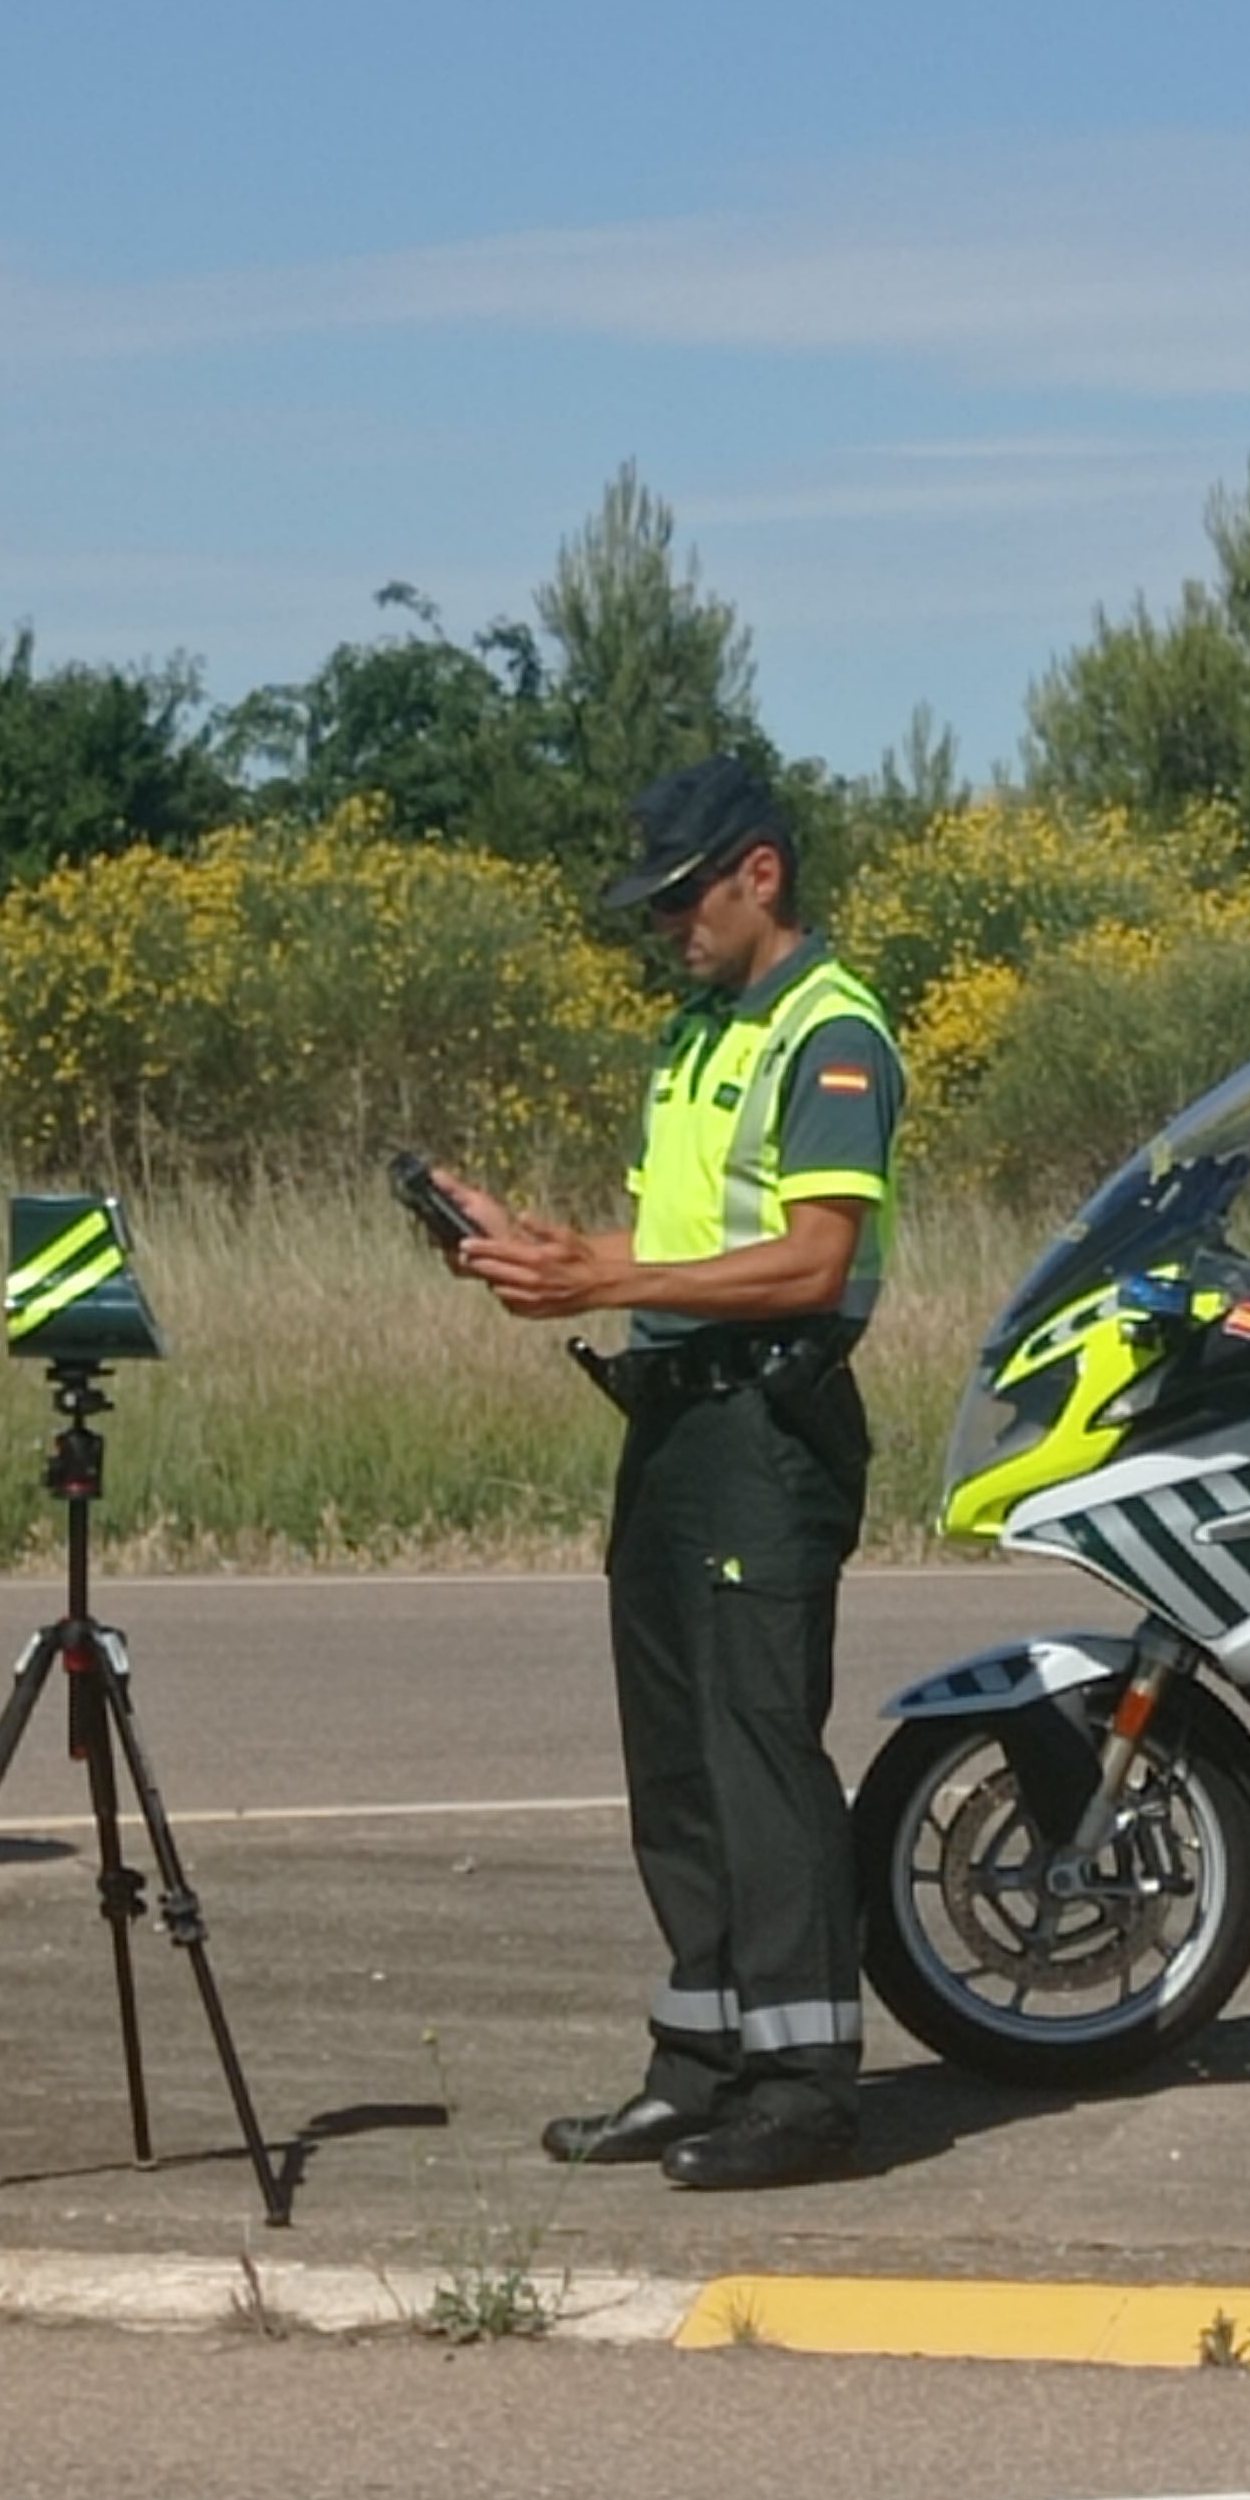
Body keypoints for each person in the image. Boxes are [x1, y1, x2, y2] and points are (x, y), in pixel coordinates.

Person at [430, 746, 903, 2190]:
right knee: (680, 1762)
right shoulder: (697, 1033)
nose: (664, 926)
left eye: (681, 897)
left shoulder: (832, 1029)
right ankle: (700, 2060)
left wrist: (602, 1277)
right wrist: (554, 1256)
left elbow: (816, 1259)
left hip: (770, 1427)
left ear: (762, 871)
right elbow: (681, 1251)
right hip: (678, 1420)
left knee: (761, 1752)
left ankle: (807, 2087)